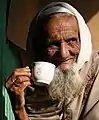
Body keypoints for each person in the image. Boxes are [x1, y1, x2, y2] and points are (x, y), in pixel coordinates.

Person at [5, 2, 99, 120]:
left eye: (71, 41)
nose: (63, 53)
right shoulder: (32, 85)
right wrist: (19, 109)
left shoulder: (96, 72)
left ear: (83, 41)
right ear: (39, 48)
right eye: (53, 44)